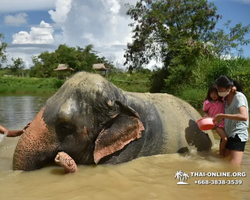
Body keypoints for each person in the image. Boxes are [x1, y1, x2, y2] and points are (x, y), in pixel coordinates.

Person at [213, 75, 249, 166]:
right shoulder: (226, 98)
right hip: (228, 133)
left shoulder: (239, 97)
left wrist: (222, 116)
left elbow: (244, 116)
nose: (219, 92)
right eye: (218, 89)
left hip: (238, 135)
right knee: (223, 163)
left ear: (229, 88)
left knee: (234, 166)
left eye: (221, 89)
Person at [203, 83, 227, 157]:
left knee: (225, 139)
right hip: (216, 124)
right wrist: (206, 116)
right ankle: (221, 154)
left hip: (225, 122)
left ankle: (223, 151)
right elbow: (205, 111)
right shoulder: (207, 103)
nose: (213, 95)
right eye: (211, 93)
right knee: (225, 139)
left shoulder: (222, 100)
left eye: (215, 93)